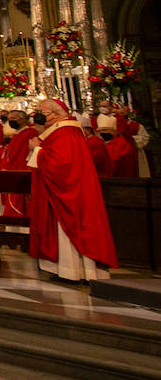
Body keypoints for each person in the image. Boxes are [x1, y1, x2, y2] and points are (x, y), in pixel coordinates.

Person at [28, 99, 118, 282]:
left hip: (69, 192)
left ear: (55, 114)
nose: (37, 114)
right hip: (63, 189)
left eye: (41, 111)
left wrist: (36, 150)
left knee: (71, 228)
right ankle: (67, 270)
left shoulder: (66, 132)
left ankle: (73, 271)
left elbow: (61, 165)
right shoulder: (62, 131)